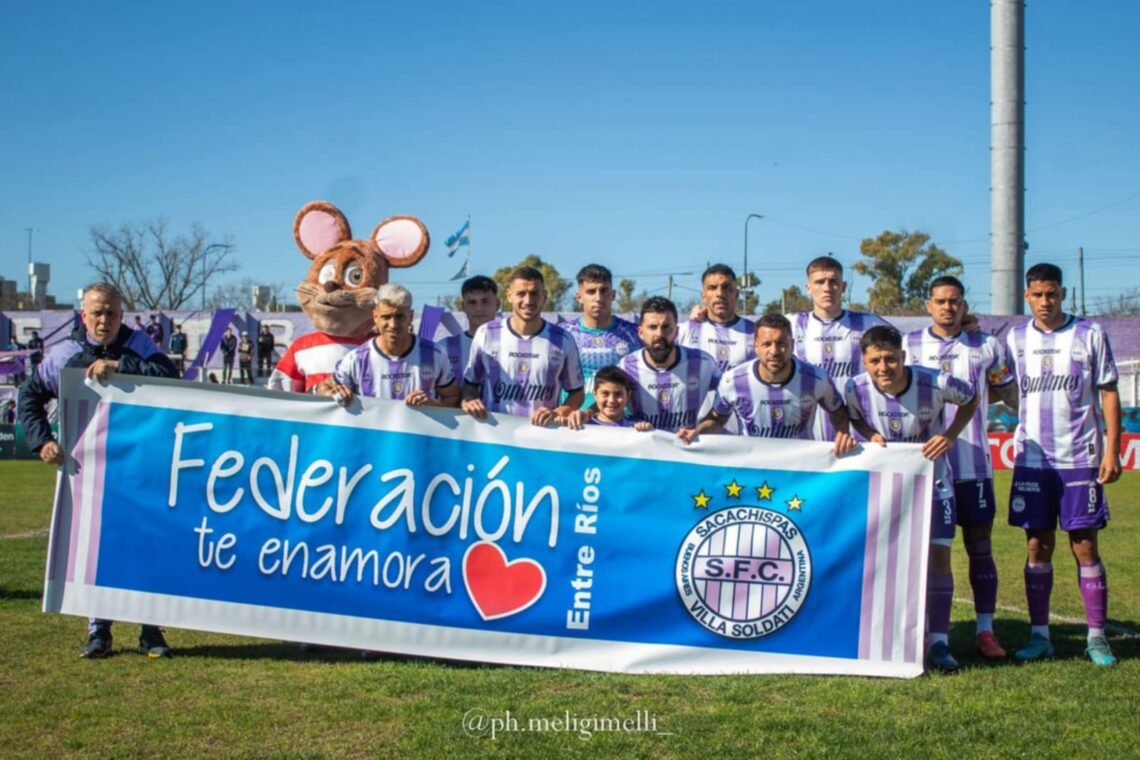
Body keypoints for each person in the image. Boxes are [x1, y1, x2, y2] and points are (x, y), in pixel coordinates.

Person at [18, 281, 178, 659]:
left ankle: (150, 629)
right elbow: (30, 394)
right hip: (88, 471)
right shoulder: (65, 354)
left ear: (122, 315)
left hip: (141, 468)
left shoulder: (139, 345)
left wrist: (121, 366)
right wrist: (42, 440)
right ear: (83, 315)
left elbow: (170, 377)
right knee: (96, 547)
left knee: (144, 543)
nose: (104, 319)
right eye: (97, 312)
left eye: (111, 312)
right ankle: (98, 630)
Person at [1005, 263, 1121, 666]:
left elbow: (1108, 392)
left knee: (1084, 545)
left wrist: (1111, 449)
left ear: (1063, 293)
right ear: (1026, 296)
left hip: (1080, 459)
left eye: (1051, 294)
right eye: (1037, 294)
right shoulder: (1015, 338)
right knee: (1037, 545)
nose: (1044, 302)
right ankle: (1040, 637)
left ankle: (1096, 638)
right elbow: (998, 381)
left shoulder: (1090, 334)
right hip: (1033, 462)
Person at [844, 325, 979, 673]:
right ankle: (888, 637)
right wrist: (869, 433)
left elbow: (972, 398)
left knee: (938, 558)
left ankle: (939, 642)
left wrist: (949, 436)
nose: (883, 367)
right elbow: (855, 419)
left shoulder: (936, 382)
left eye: (891, 359)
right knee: (883, 560)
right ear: (864, 360)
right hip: (884, 489)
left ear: (904, 357)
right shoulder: (854, 388)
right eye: (875, 360)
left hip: (934, 484)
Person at [905, 275, 1019, 659]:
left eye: (954, 301)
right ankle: (924, 630)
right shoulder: (910, 345)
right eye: (940, 301)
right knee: (923, 552)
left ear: (964, 305)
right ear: (928, 305)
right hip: (925, 468)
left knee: (979, 547)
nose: (948, 307)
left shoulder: (987, 344)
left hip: (973, 464)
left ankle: (985, 631)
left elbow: (1006, 391)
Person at [678, 314, 856, 456]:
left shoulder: (816, 378)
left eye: (781, 344)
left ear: (792, 345)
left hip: (801, 471)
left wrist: (843, 434)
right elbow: (717, 418)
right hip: (752, 468)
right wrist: (697, 431)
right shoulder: (732, 381)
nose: (774, 351)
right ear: (755, 346)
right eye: (766, 344)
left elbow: (838, 411)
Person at [462, 266, 584, 425]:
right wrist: (469, 400)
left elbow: (577, 393)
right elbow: (470, 384)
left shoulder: (563, 339)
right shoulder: (486, 334)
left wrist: (557, 413)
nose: (528, 300)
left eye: (534, 293)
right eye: (521, 294)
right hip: (495, 436)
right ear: (509, 296)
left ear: (545, 296)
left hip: (542, 438)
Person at [789, 256, 889, 439]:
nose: (827, 288)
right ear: (808, 288)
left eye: (833, 281)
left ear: (843, 287)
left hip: (861, 431)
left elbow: (902, 351)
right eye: (820, 282)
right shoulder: (792, 325)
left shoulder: (869, 323)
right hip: (808, 434)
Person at [319, 284, 459, 409]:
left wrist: (432, 405)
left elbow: (454, 399)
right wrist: (329, 392)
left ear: (410, 317)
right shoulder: (356, 359)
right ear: (375, 317)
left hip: (419, 437)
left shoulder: (436, 354)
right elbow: (323, 388)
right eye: (386, 317)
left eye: (399, 316)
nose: (393, 325)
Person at [617, 297, 721, 433]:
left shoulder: (703, 362)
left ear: (676, 332)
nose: (659, 334)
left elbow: (729, 395)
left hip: (686, 450)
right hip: (643, 451)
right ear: (641, 333)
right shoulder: (626, 367)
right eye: (652, 327)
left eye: (666, 327)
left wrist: (702, 428)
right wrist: (587, 413)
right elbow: (606, 400)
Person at [562, 264, 641, 407]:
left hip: (618, 426)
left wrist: (695, 323)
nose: (598, 298)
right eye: (591, 291)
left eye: (604, 291)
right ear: (579, 297)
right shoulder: (563, 335)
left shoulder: (634, 335)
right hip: (572, 423)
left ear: (613, 295)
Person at [678, 264, 756, 372]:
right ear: (703, 296)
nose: (720, 293)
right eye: (712, 288)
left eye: (727, 287)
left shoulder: (755, 333)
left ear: (736, 294)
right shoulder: (685, 331)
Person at [558, 365, 652, 430]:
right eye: (605, 394)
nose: (611, 400)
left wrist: (648, 431)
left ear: (628, 396)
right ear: (595, 394)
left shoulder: (637, 426)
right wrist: (561, 425)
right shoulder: (580, 424)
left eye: (618, 394)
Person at [442, 275, 499, 374]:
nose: (479, 308)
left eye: (485, 301)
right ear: (463, 306)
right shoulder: (443, 348)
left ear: (497, 304)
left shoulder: (513, 344)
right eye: (472, 302)